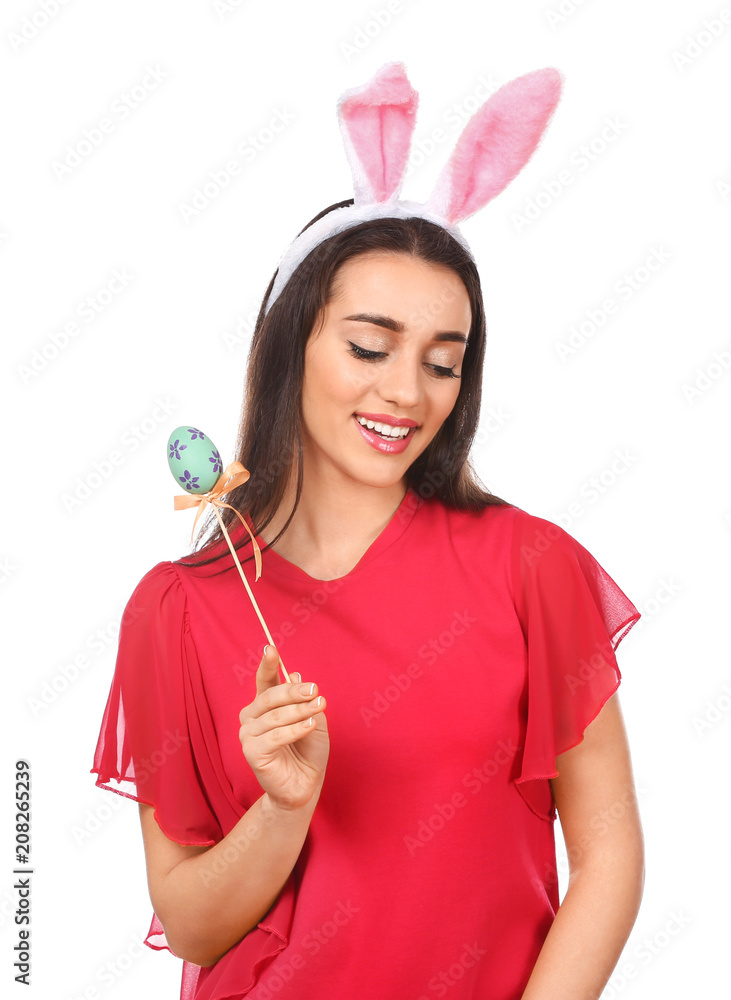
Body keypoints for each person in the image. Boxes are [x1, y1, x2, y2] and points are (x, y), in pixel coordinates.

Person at [90, 64, 645, 1000]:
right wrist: (283, 808)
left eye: (442, 363)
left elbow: (608, 854)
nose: (404, 392)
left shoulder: (528, 566)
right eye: (368, 347)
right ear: (291, 342)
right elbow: (188, 922)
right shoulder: (178, 610)